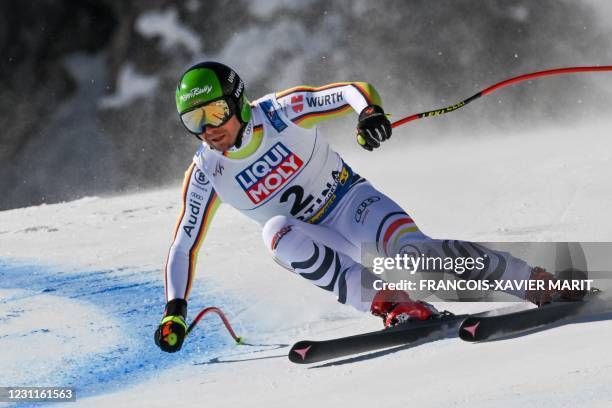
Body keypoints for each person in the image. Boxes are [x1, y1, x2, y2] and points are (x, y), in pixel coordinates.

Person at [154, 61, 580, 353]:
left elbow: (349, 91)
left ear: (238, 101)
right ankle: (394, 304)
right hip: (317, 237)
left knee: (419, 259)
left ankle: (536, 282)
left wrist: (368, 112)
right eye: (194, 122)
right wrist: (175, 311)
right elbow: (183, 247)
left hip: (353, 204)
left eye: (214, 112)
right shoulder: (207, 172)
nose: (208, 130)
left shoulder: (280, 113)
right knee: (276, 234)